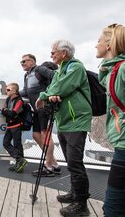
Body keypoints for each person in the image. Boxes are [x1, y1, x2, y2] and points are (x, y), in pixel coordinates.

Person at [36, 40, 91, 217]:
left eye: (53, 52)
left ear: (64, 53)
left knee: (75, 162)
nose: (51, 55)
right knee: (70, 159)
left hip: (77, 120)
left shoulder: (75, 68)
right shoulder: (61, 69)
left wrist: (45, 95)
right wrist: (50, 94)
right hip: (65, 120)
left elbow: (61, 87)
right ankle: (75, 193)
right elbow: (53, 87)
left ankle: (82, 205)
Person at [96, 24, 125, 217]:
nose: (95, 45)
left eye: (98, 41)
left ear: (109, 44)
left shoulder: (121, 69)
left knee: (113, 208)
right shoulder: (112, 71)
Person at [19, 54, 61, 176]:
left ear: (32, 61)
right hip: (36, 109)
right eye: (21, 62)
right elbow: (26, 91)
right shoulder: (27, 75)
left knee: (45, 134)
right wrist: (15, 93)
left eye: (24, 61)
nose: (22, 64)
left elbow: (55, 77)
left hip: (45, 107)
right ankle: (54, 164)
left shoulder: (39, 69)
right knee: (36, 135)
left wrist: (49, 94)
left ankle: (48, 167)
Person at [2, 83, 28, 173]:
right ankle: (20, 159)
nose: (6, 91)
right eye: (6, 89)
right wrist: (8, 112)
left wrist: (7, 111)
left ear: (14, 91)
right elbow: (3, 111)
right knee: (6, 143)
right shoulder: (8, 99)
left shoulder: (19, 100)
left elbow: (13, 113)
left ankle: (19, 164)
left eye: (8, 90)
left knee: (17, 145)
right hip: (10, 125)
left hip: (16, 125)